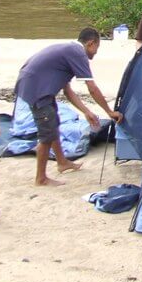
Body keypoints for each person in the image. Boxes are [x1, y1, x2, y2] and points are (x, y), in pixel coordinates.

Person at [15, 27, 123, 187]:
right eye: (96, 48)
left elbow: (67, 91)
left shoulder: (68, 51)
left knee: (54, 122)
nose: (95, 53)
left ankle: (62, 162)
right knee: (46, 133)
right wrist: (109, 111)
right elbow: (91, 88)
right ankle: (41, 178)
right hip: (37, 90)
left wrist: (86, 112)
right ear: (91, 43)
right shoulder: (78, 53)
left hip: (35, 85)